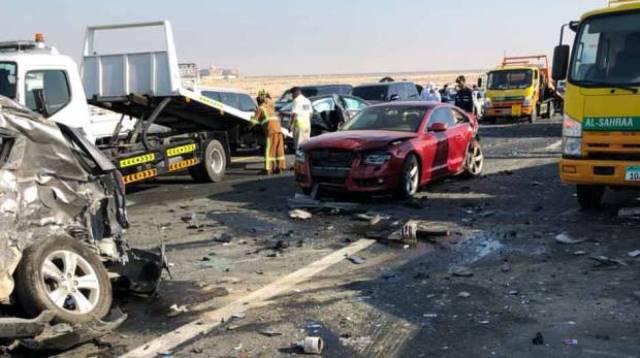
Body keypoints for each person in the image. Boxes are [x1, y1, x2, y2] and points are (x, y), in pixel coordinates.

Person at [254, 90, 286, 175]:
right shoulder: (271, 107)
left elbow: (253, 121)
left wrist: (248, 126)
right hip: (278, 130)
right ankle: (280, 168)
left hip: (270, 131)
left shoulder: (260, 108)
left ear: (259, 101)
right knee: (279, 150)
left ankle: (268, 169)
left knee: (269, 150)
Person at [290, 87, 313, 151]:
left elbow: (294, 114)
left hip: (299, 126)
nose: (292, 96)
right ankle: (306, 159)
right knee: (306, 144)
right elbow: (311, 114)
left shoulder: (296, 100)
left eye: (292, 94)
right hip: (307, 125)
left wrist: (291, 125)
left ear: (295, 93)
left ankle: (299, 160)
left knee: (298, 145)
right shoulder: (307, 100)